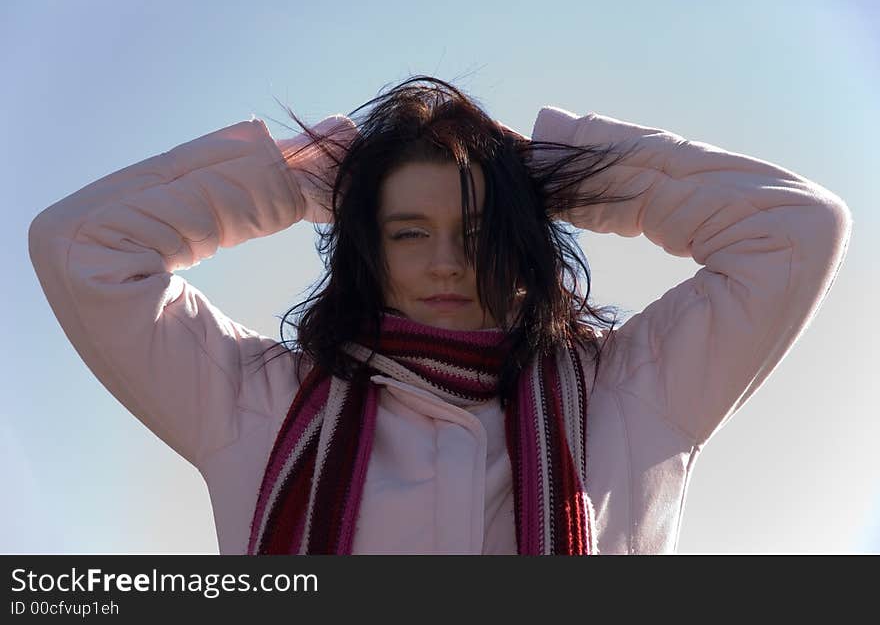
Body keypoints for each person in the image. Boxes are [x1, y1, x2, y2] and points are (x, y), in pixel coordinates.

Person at [28, 76, 852, 555]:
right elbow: (82, 246)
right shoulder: (258, 400)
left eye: (481, 232)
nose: (447, 262)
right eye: (408, 231)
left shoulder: (632, 387)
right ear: (366, 249)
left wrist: (559, 167)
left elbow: (794, 229)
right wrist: (306, 172)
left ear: (524, 243)